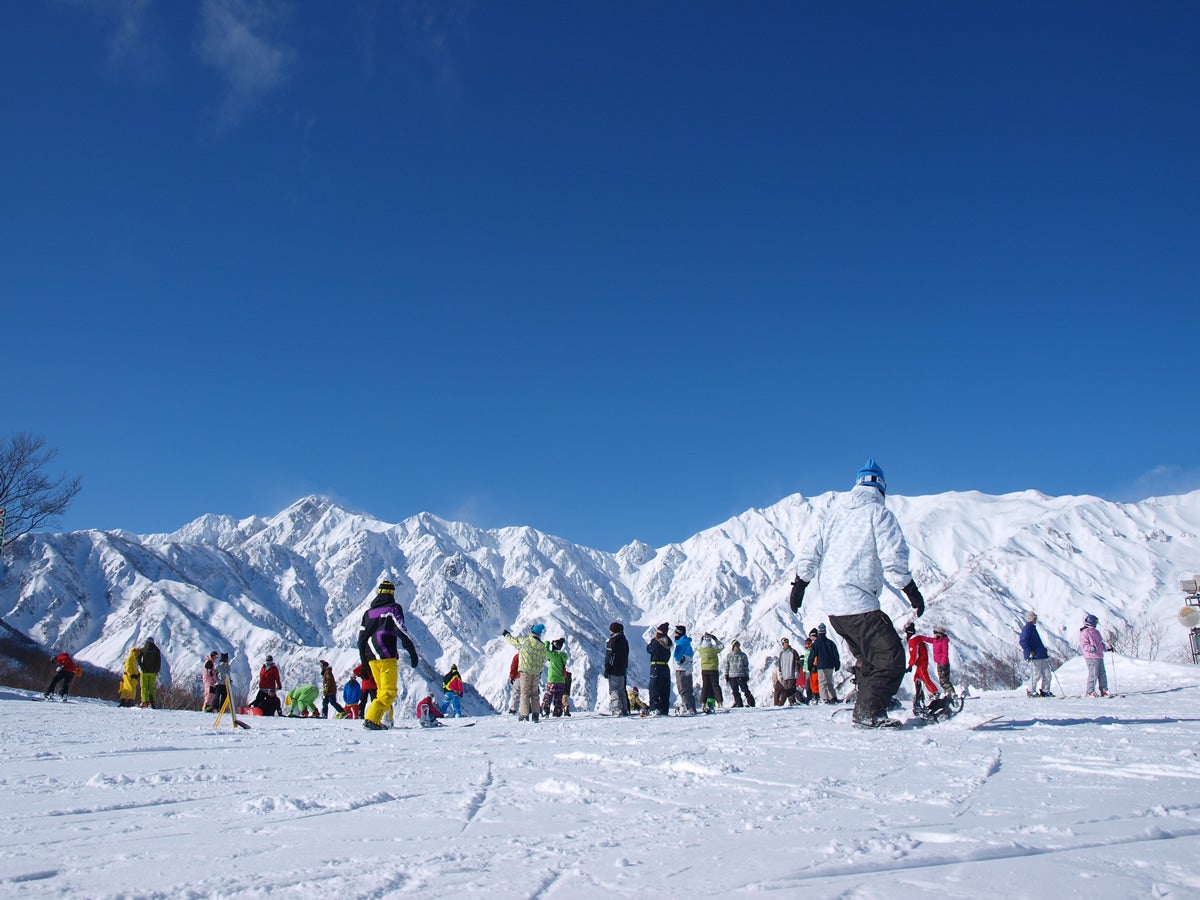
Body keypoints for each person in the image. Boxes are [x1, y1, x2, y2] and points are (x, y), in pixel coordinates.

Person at [790, 457, 926, 728]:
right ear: (881, 489)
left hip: (834, 608)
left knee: (868, 659)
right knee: (891, 659)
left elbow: (811, 550)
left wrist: (800, 585)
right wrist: (911, 590)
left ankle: (873, 700)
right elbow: (893, 556)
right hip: (858, 602)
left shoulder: (834, 516)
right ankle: (868, 710)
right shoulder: (879, 514)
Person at [358, 580, 420, 731]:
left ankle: (387, 719)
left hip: (371, 657)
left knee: (381, 690)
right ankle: (371, 719)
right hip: (387, 655)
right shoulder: (393, 608)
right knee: (389, 692)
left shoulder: (368, 613)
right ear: (392, 593)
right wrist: (412, 651)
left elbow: (361, 639)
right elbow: (401, 630)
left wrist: (364, 661)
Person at [504, 623, 548, 722]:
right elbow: (543, 660)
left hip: (525, 671)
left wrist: (506, 635)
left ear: (532, 631)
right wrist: (540, 671)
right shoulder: (542, 646)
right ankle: (536, 714)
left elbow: (513, 641)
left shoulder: (525, 642)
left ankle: (524, 714)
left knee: (525, 693)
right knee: (535, 693)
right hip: (536, 672)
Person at [1019, 611, 1053, 697]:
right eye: (1034, 618)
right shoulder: (1027, 629)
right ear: (1031, 618)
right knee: (1036, 674)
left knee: (1047, 673)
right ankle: (1031, 691)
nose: (1036, 619)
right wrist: (1029, 651)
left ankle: (1045, 690)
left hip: (1041, 654)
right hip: (1035, 655)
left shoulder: (1032, 628)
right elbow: (1023, 641)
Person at [904, 622, 939, 700]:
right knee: (916, 678)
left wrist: (910, 665)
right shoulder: (918, 638)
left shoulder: (913, 641)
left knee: (925, 678)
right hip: (923, 661)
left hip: (921, 663)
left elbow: (914, 655)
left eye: (906, 633)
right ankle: (920, 695)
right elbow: (929, 640)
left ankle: (935, 692)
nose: (905, 636)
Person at [1079, 613, 1111, 697]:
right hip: (1091, 656)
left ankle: (1104, 690)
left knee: (1102, 673)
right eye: (1095, 621)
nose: (1096, 623)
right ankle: (1090, 691)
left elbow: (1101, 644)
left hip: (1099, 655)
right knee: (1093, 674)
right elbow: (1084, 644)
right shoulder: (1085, 632)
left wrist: (1107, 648)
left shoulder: (1096, 632)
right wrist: (1090, 648)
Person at [603, 622, 630, 716]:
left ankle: (617, 709)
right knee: (622, 690)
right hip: (622, 669)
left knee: (614, 690)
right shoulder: (625, 641)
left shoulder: (612, 641)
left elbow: (609, 656)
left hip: (614, 669)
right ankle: (625, 709)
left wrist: (607, 668)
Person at [810, 624, 841, 704]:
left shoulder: (816, 643)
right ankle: (833, 697)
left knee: (822, 683)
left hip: (821, 665)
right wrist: (837, 664)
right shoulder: (830, 643)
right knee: (829, 682)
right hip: (830, 665)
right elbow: (835, 655)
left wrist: (810, 665)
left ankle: (825, 699)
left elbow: (812, 655)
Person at [919, 626, 955, 695]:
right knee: (941, 681)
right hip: (939, 663)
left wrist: (943, 663)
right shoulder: (935, 640)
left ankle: (952, 693)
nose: (933, 634)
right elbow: (928, 639)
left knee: (945, 680)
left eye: (935, 633)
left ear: (939, 634)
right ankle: (947, 693)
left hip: (944, 663)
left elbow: (945, 653)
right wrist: (920, 637)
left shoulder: (943, 641)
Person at [647, 623, 673, 716]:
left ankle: (654, 708)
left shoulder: (656, 642)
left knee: (654, 688)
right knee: (664, 690)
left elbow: (649, 649)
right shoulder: (667, 642)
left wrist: (652, 641)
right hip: (665, 666)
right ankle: (664, 709)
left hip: (656, 666)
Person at [722, 639, 755, 707]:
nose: (737, 647)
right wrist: (726, 674)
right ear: (733, 646)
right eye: (735, 646)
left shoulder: (743, 655)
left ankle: (751, 703)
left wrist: (746, 675)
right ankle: (739, 704)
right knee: (735, 691)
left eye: (738, 646)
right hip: (732, 676)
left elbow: (746, 666)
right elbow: (727, 666)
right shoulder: (729, 656)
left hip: (740, 675)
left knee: (745, 690)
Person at [541, 640, 569, 717]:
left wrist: (547, 643)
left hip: (552, 680)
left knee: (548, 696)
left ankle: (545, 711)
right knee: (558, 698)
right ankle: (558, 712)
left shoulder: (553, 655)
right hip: (561, 681)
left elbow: (546, 651)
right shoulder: (563, 656)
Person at [697, 633, 724, 712]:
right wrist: (715, 639)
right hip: (713, 669)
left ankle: (703, 703)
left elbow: (698, 646)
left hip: (704, 669)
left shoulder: (701, 649)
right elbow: (722, 646)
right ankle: (719, 702)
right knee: (715, 686)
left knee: (705, 686)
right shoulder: (713, 648)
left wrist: (701, 640)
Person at [672, 625, 697, 714]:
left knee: (683, 690)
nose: (674, 634)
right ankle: (692, 708)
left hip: (681, 669)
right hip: (688, 669)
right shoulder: (687, 642)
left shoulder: (680, 644)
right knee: (689, 690)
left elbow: (677, 657)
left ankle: (687, 708)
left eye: (675, 632)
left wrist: (678, 660)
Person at [775, 637, 803, 705]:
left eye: (787, 642)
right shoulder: (781, 653)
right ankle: (791, 701)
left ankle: (800, 699)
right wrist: (780, 672)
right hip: (784, 675)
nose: (786, 644)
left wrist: (796, 671)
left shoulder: (793, 651)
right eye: (785, 643)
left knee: (792, 688)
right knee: (787, 690)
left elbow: (797, 662)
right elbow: (780, 664)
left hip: (791, 673)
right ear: (782, 644)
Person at [138, 638, 162, 709]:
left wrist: (142, 667)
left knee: (144, 687)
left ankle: (145, 702)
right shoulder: (156, 650)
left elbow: (138, 659)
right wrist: (156, 670)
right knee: (151, 688)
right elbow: (158, 661)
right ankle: (153, 703)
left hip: (144, 672)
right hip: (153, 673)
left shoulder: (143, 649)